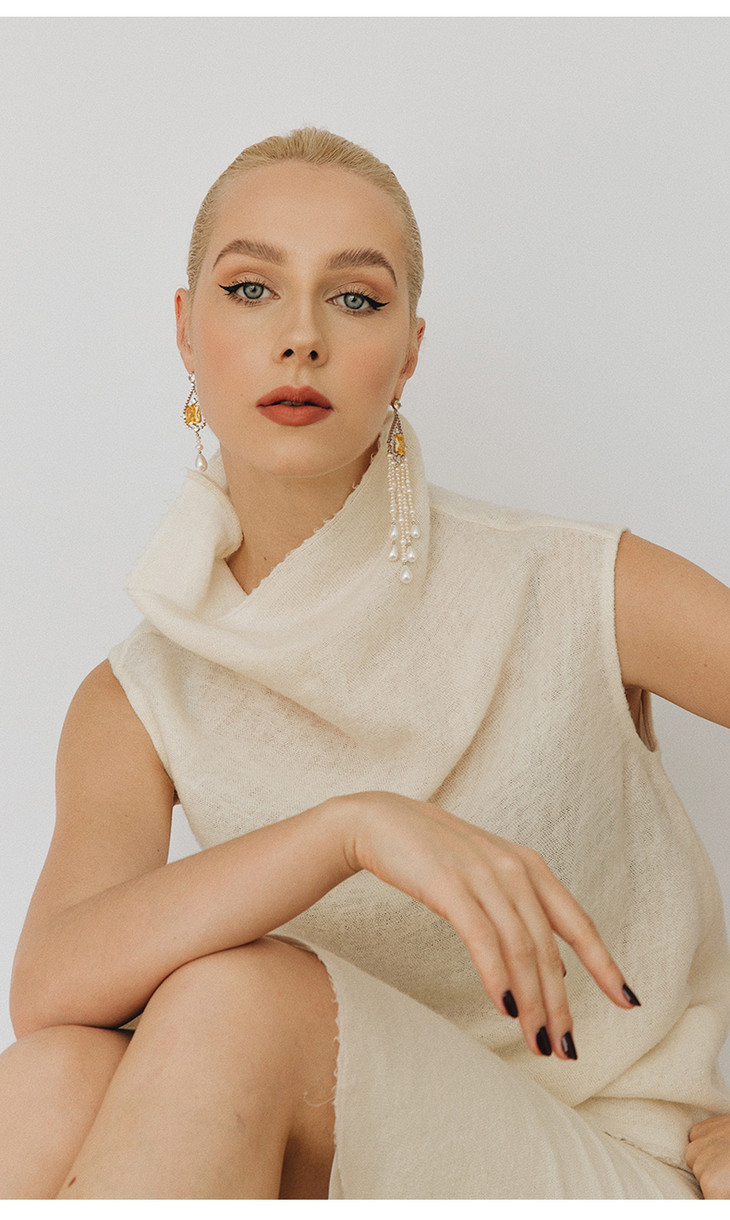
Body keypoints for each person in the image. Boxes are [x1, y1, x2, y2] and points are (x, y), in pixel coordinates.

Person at [1, 126, 730, 1200]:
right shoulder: (141, 695)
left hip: (604, 1161)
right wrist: (349, 830)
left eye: (353, 299)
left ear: (409, 352)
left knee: (237, 995)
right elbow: (50, 989)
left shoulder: (574, 582)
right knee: (52, 1077)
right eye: (251, 290)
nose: (300, 337)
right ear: (185, 329)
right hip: (330, 1161)